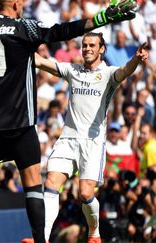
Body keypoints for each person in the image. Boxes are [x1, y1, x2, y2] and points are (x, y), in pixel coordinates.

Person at [0, 0, 137, 242]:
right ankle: (40, 240)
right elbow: (61, 31)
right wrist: (100, 18)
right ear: (14, 3)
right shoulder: (24, 29)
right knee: (33, 183)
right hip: (20, 120)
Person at [34, 32, 148, 243]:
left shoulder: (108, 74)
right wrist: (17, 46)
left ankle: (94, 233)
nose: (87, 48)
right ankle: (42, 238)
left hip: (92, 143)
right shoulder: (72, 70)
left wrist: (136, 59)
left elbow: (125, 71)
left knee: (85, 194)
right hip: (67, 140)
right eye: (84, 45)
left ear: (101, 49)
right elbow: (41, 62)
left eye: (92, 45)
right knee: (51, 183)